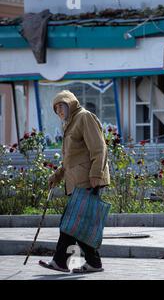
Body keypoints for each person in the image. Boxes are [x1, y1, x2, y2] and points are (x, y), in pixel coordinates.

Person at [39, 90, 110, 273]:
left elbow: (99, 148)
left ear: (70, 103)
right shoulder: (69, 125)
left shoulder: (84, 117)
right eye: (56, 109)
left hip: (87, 180)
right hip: (76, 182)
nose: (59, 111)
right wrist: (57, 176)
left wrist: (96, 175)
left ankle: (60, 262)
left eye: (61, 106)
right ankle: (93, 263)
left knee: (70, 223)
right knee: (77, 224)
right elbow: (70, 160)